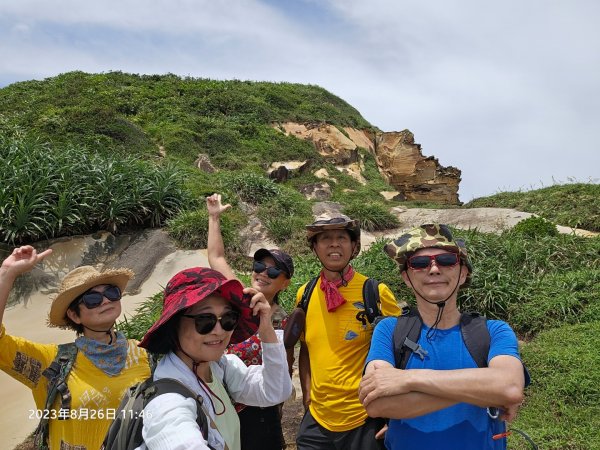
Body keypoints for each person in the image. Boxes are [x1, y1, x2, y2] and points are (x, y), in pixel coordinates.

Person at [359, 224, 528, 450]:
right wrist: (485, 392)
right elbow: (378, 404)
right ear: (406, 278)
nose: (434, 269)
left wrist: (409, 379)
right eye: (419, 264)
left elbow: (509, 388)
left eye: (447, 260)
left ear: (463, 273)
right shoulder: (390, 330)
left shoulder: (493, 331)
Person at [0, 245, 151, 450]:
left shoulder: (143, 352)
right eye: (92, 299)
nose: (105, 300)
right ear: (74, 315)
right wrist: (7, 273)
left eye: (111, 292)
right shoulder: (53, 362)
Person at [137, 266, 293, 450]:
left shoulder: (220, 368)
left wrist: (265, 327)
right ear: (175, 324)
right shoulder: (167, 401)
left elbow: (275, 391)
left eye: (228, 318)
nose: (219, 331)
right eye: (204, 320)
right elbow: (176, 437)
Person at [295, 213, 401, 450]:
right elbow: (306, 349)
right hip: (318, 418)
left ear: (354, 246)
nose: (334, 244)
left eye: (341, 237)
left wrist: (396, 415)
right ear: (315, 248)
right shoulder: (306, 293)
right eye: (325, 238)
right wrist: (307, 395)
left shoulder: (375, 292)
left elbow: (400, 355)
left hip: (364, 416)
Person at [206, 193, 294, 450]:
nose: (263, 273)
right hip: (221, 400)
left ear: (284, 283)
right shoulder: (240, 297)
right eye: (259, 266)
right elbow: (217, 258)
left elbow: (281, 371)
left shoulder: (282, 321)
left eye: (274, 271)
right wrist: (214, 217)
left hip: (258, 410)